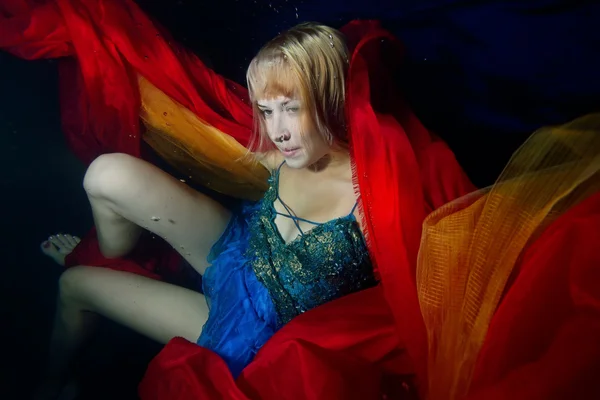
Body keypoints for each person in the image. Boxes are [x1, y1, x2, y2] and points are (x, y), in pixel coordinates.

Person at [35, 23, 380, 399]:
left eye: (291, 108)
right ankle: (108, 257)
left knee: (73, 286)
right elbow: (202, 118)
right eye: (265, 110)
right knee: (106, 174)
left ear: (332, 97)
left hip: (252, 336)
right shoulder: (283, 150)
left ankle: (54, 387)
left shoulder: (373, 202)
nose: (277, 131)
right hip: (238, 254)